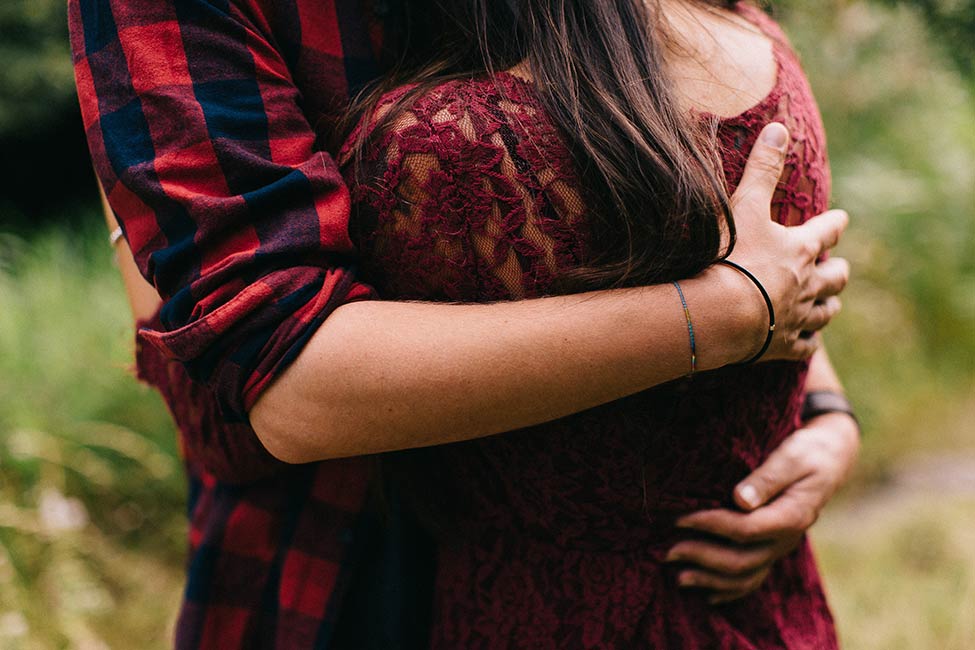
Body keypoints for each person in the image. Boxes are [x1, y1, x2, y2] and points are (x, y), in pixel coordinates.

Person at [72, 0, 859, 647]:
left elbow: (703, 189)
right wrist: (722, 315)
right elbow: (295, 379)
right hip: (341, 570)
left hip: (690, 568)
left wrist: (819, 411)